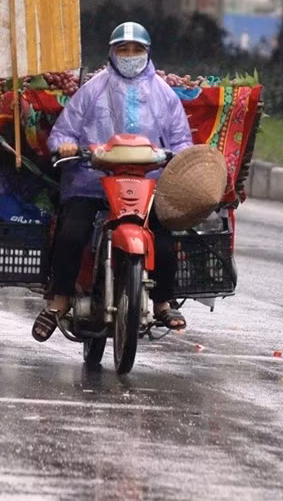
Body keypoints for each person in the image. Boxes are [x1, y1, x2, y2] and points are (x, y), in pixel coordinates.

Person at [31, 21, 194, 342]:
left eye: (137, 50)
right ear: (112, 52)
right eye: (124, 49)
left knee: (164, 238)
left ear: (147, 52)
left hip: (148, 184)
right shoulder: (92, 90)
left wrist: (179, 154)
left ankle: (162, 302)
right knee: (71, 233)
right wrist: (66, 146)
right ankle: (59, 301)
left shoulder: (164, 94)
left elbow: (181, 140)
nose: (130, 55)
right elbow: (64, 132)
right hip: (92, 181)